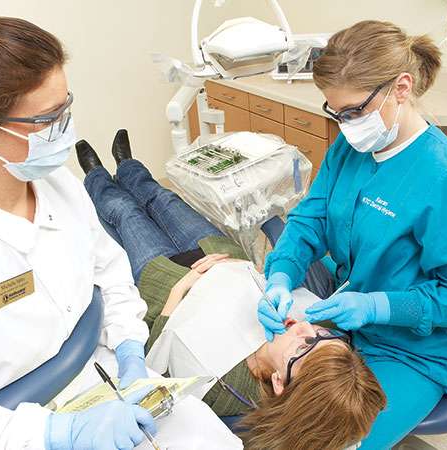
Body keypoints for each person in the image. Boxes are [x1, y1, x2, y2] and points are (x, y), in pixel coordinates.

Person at [0, 17, 239, 450]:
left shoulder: (58, 186)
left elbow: (111, 273)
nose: (65, 129)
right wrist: (58, 433)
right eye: (49, 119)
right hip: (20, 432)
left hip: (111, 380)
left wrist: (129, 350)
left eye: (65, 108)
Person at [257, 21, 447, 449]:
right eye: (336, 112)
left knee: (331, 441)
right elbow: (310, 221)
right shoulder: (351, 148)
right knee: (269, 408)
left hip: (413, 351)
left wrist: (377, 305)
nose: (345, 125)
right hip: (346, 319)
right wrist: (280, 275)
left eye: (353, 112)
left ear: (401, 88)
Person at [75, 132, 386, 450]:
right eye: (324, 337)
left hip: (166, 278)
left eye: (303, 347)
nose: (307, 328)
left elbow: (154, 363)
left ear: (279, 382)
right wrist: (259, 271)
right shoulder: (327, 324)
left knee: (123, 212)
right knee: (162, 198)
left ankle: (94, 175)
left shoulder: (224, 391)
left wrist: (175, 296)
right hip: (217, 253)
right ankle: (128, 166)